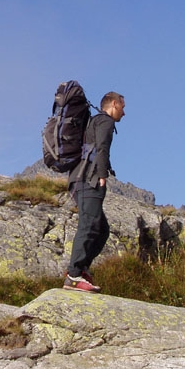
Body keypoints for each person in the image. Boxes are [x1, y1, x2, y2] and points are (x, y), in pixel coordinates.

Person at [63, 91, 125, 292]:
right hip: (88, 179)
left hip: (78, 178)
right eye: (122, 107)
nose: (124, 113)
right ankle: (73, 276)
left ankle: (81, 270)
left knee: (102, 229)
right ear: (114, 104)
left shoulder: (93, 121)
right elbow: (102, 148)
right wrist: (101, 176)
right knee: (89, 224)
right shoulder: (106, 122)